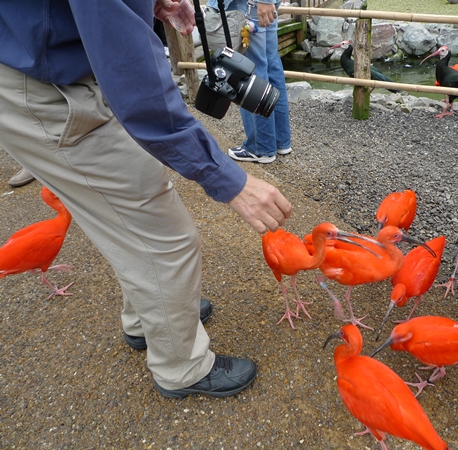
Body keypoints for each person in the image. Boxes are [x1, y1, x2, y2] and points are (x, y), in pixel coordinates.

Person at [0, 0, 292, 399]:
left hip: (55, 64)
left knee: (136, 205)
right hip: (41, 87)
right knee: (167, 238)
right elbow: (137, 87)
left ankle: (150, 320)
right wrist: (229, 180)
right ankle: (181, 367)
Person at [206, 0, 292, 164]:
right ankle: (280, 141)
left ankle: (261, 147)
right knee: (271, 65)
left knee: (251, 68)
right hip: (260, 3)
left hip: (248, 3)